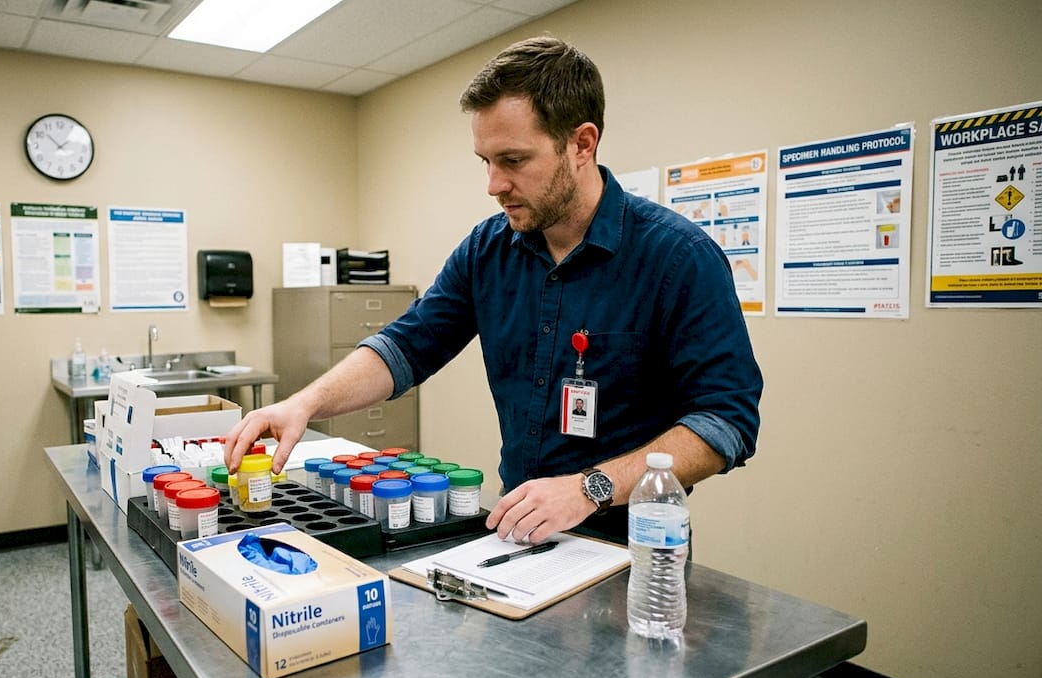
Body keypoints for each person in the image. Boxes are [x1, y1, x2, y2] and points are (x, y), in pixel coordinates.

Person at [225, 36, 762, 545]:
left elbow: (725, 420)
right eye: (486, 162)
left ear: (582, 143)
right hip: (519, 534)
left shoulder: (677, 257)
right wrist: (304, 403)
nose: (493, 185)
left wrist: (588, 489)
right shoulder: (488, 250)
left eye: (513, 160)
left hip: (635, 551)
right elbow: (408, 346)